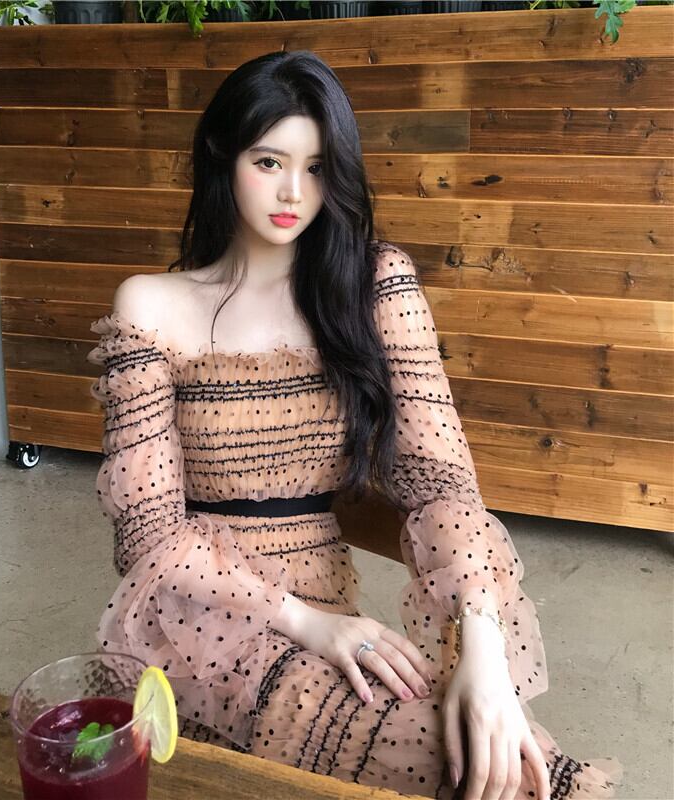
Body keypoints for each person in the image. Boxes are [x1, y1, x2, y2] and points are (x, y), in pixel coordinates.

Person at [87, 50, 623, 800]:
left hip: (330, 606)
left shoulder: (373, 285)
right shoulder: (150, 305)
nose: (293, 193)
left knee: (508, 752)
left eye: (316, 167)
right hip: (200, 621)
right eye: (269, 161)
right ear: (222, 156)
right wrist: (308, 624)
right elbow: (148, 536)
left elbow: (441, 483)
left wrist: (483, 648)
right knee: (489, 771)